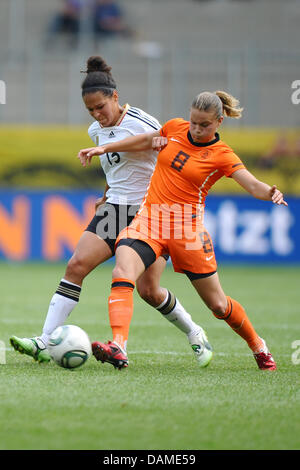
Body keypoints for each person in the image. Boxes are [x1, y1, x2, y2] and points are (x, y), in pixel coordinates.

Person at [10, 56, 213, 370]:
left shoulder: (143, 123)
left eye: (101, 107)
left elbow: (169, 148)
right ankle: (43, 340)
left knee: (148, 290)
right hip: (115, 209)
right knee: (76, 265)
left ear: (115, 98)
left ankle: (194, 332)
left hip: (149, 214)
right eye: (90, 110)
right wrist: (105, 196)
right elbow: (116, 170)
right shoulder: (96, 131)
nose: (97, 115)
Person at [78, 90, 288, 371]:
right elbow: (147, 141)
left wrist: (270, 192)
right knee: (122, 271)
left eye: (205, 125)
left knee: (217, 305)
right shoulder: (175, 128)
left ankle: (258, 345)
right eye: (194, 123)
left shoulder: (221, 155)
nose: (197, 129)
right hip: (150, 221)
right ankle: (118, 346)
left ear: (219, 121)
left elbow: (250, 184)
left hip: (186, 232)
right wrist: (106, 148)